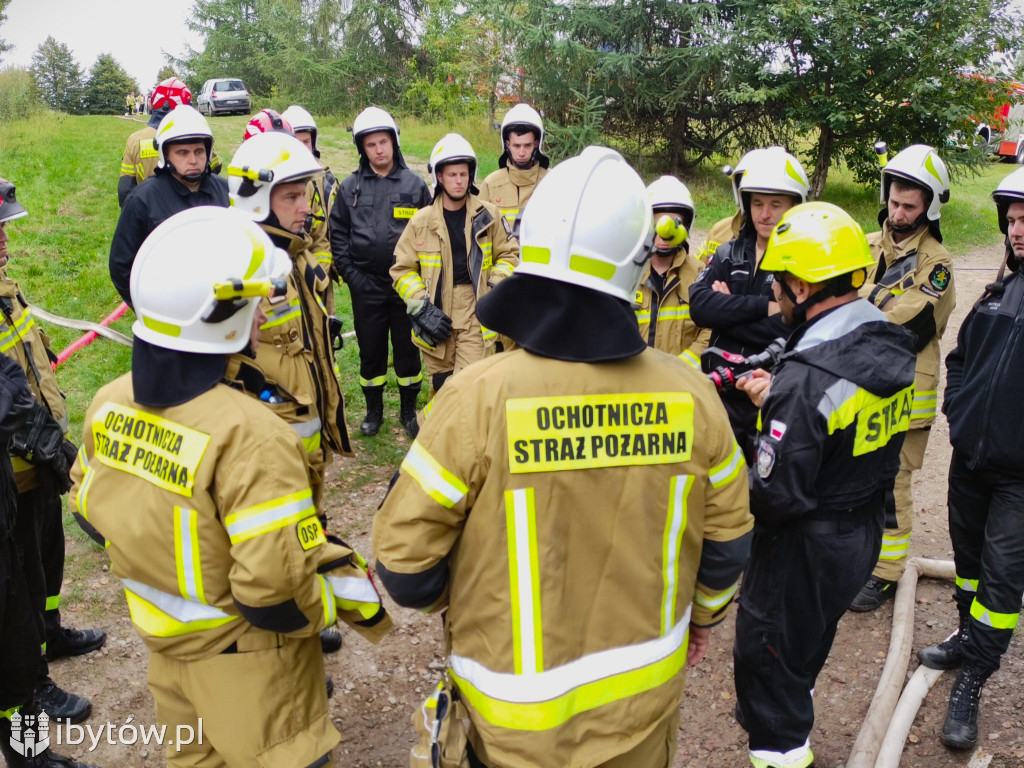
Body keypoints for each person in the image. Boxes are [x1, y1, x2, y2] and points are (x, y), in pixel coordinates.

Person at [374, 146, 753, 768]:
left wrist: (471, 596)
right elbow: (728, 545)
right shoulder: (692, 396)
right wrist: (702, 619)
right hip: (643, 710)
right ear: (634, 260)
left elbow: (406, 571)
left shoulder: (477, 397)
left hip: (507, 726)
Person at [70, 206, 391, 768]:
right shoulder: (253, 436)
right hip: (254, 666)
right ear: (222, 317)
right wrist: (335, 605)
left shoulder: (110, 400)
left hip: (166, 654)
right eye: (254, 303)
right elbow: (273, 596)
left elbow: (91, 514)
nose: (265, 311)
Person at [731, 202, 916, 768]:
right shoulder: (887, 338)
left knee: (766, 662)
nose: (779, 297)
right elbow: (844, 422)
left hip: (801, 549)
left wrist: (772, 419)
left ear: (806, 284)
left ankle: (782, 750)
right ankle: (795, 704)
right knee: (804, 645)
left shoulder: (807, 384)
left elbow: (776, 495)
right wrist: (784, 397)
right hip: (858, 533)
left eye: (782, 284)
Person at [915, 166, 1024, 750]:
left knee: (1003, 586)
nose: (1016, 229)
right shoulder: (1000, 290)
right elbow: (959, 359)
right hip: (972, 461)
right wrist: (958, 408)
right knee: (971, 563)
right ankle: (964, 635)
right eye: (1011, 219)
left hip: (1019, 479)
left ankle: (974, 678)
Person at [0, 178, 106, 726]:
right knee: (18, 584)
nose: (1, 239)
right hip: (12, 470)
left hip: (35, 464)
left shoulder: (7, 288)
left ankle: (50, 634)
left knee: (47, 559)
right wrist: (48, 444)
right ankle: (32, 680)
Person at [849, 144, 956, 612]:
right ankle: (856, 556)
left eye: (909, 205)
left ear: (929, 207)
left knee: (893, 485)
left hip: (906, 390)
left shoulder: (938, 265)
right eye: (894, 202)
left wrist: (861, 293)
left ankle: (887, 573)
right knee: (851, 473)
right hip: (858, 383)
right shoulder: (866, 244)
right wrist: (882, 298)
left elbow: (909, 327)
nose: (897, 212)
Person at [689, 147, 808, 463]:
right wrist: (764, 307)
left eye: (775, 205)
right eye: (757, 204)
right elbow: (699, 306)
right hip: (717, 397)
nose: (764, 214)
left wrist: (726, 309)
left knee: (761, 497)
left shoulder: (802, 262)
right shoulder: (729, 252)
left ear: (795, 206)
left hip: (765, 397)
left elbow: (791, 322)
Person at [330, 107, 431, 437]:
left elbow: (430, 235)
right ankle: (374, 410)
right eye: (371, 144)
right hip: (366, 285)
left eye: (383, 142)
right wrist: (352, 277)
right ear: (362, 148)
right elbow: (338, 234)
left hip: (405, 286)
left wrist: (419, 282)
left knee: (407, 350)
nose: (378, 150)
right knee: (371, 351)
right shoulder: (350, 188)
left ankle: (407, 409)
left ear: (394, 142)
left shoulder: (415, 186)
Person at [390, 133, 518, 393]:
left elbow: (509, 255)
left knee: (467, 385)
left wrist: (494, 287)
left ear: (471, 175)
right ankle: (433, 429)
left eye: (463, 174)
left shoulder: (489, 216)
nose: (459, 181)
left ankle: (425, 426)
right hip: (437, 312)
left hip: (475, 308)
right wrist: (421, 306)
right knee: (442, 384)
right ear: (439, 177)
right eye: (452, 175)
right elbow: (402, 270)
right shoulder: (421, 221)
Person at [109, 105, 228, 306]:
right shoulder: (143, 200)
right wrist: (150, 310)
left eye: (199, 151)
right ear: (165, 154)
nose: (193, 160)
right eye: (182, 152)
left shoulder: (227, 192)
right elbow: (121, 266)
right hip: (168, 313)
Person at [637, 175, 710, 367]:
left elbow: (711, 330)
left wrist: (680, 369)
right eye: (658, 223)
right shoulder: (628, 274)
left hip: (681, 386)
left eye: (674, 224)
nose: (665, 233)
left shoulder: (699, 274)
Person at [118, 78, 222, 209]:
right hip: (193, 210)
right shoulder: (193, 135)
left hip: (150, 211)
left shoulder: (135, 140)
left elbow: (125, 190)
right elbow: (215, 168)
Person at [477, 103, 549, 239]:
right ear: (507, 144)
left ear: (536, 144)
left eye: (527, 145)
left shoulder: (552, 181)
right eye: (516, 145)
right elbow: (478, 234)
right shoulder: (491, 184)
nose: (521, 152)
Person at [281, 105, 337, 278]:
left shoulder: (324, 177)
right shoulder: (274, 180)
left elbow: (325, 234)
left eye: (306, 142)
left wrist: (320, 273)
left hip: (319, 272)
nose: (303, 148)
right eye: (297, 142)